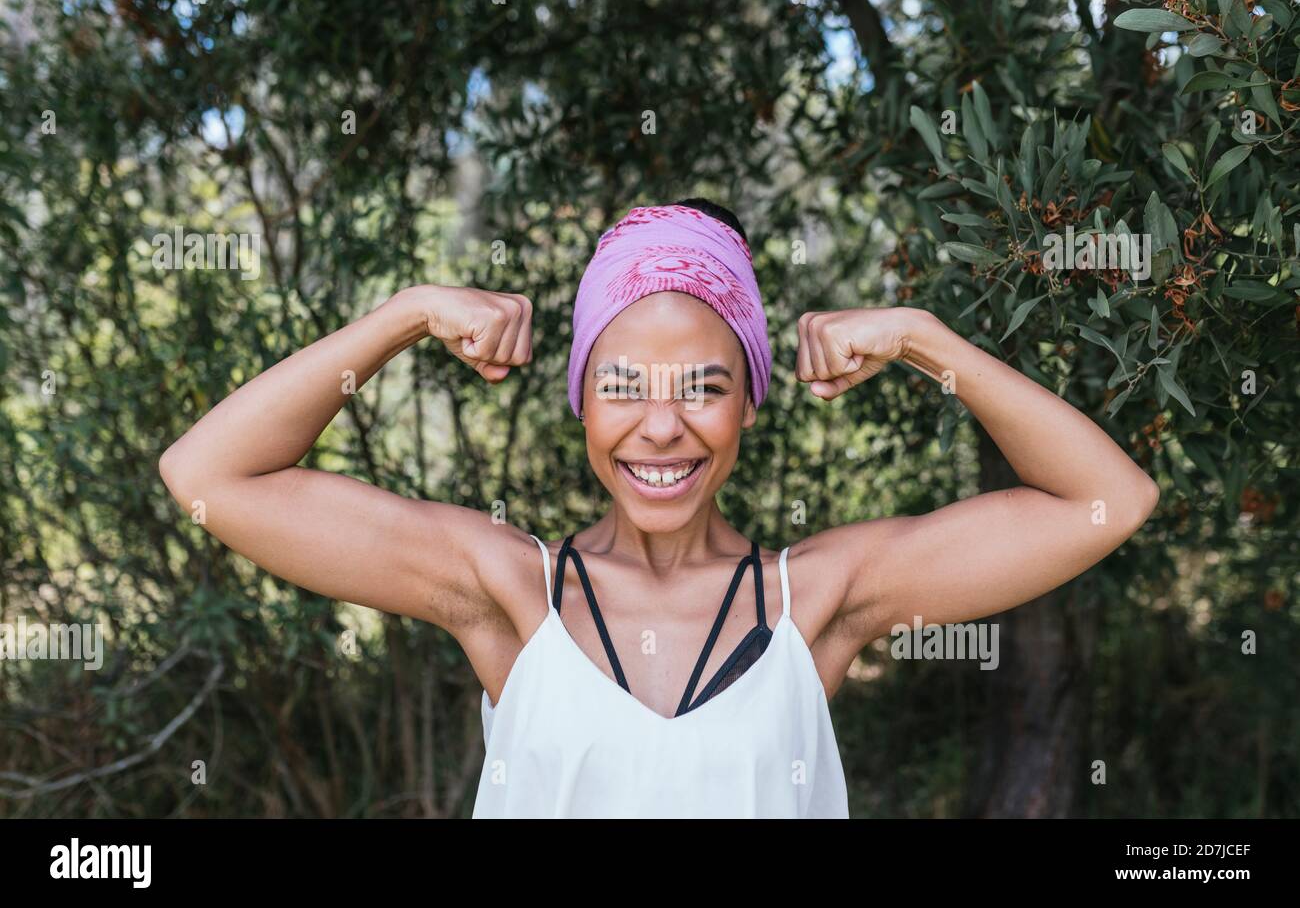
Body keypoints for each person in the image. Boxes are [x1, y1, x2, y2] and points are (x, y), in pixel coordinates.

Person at [159, 198, 1159, 818]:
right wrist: (404, 315)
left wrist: (921, 338)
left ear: (750, 400)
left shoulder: (818, 600)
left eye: (705, 385)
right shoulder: (508, 591)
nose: (662, 424)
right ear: (580, 401)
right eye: (624, 383)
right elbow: (211, 477)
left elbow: (1107, 502)